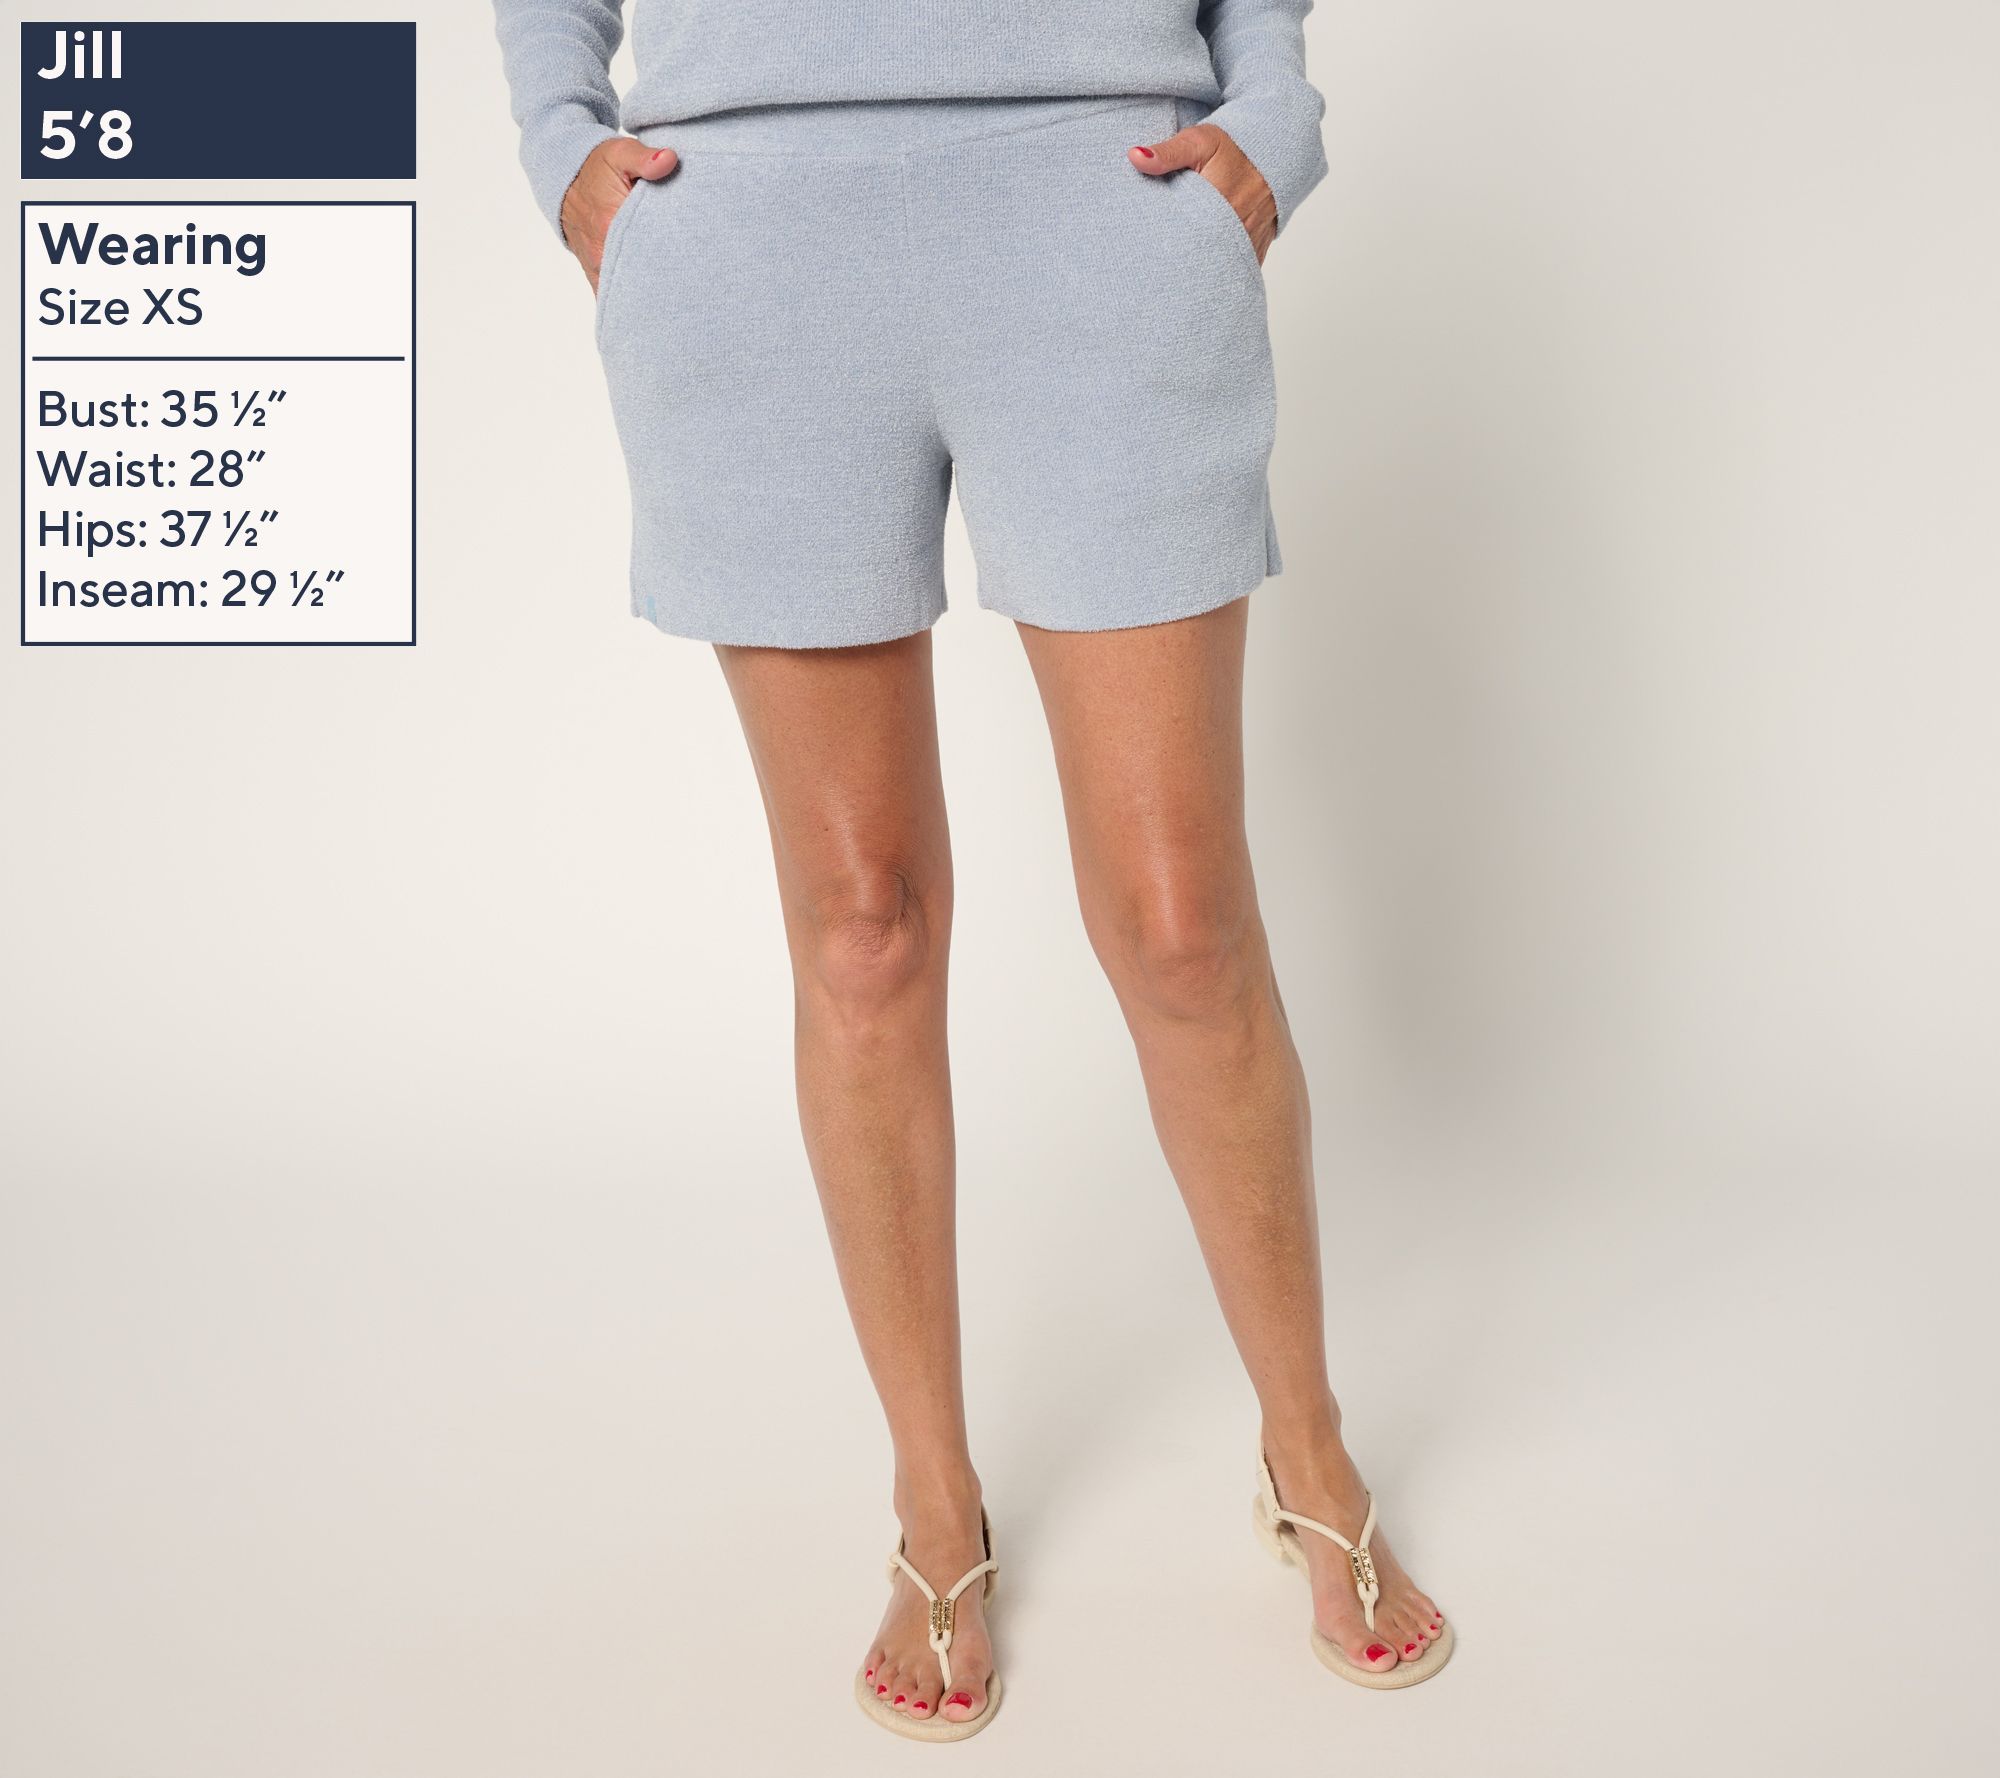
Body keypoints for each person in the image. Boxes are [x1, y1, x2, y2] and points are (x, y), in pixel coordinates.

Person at [492, 0, 1450, 1739]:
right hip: (750, 236)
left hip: (1100, 204)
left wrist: (1273, 110)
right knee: (860, 927)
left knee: (1183, 926)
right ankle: (936, 1504)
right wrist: (563, 140)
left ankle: (1307, 1447)